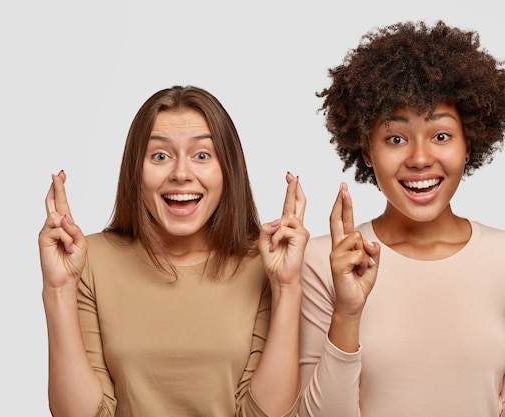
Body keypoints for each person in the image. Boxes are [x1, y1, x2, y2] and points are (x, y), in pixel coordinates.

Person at [298, 20, 505, 416]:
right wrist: (348, 312)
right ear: (367, 151)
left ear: (469, 144)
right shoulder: (326, 262)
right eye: (395, 138)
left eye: (441, 136)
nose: (421, 158)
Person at [38, 85, 308, 417]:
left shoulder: (264, 262)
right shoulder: (90, 259)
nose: (181, 174)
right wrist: (59, 289)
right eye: (160, 156)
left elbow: (264, 414)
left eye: (202, 155)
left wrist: (286, 286)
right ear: (136, 171)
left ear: (228, 171)